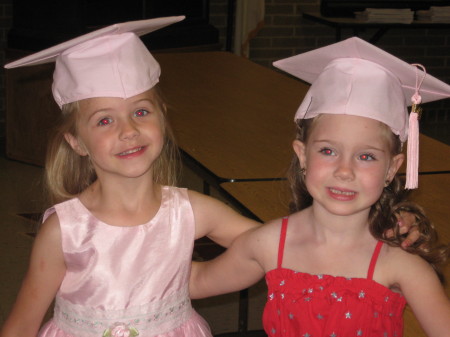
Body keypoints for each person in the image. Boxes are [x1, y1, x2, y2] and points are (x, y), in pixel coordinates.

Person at [0, 18, 421, 336]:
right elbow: (22, 323)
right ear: (76, 141)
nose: (128, 130)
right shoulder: (65, 229)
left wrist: (377, 231)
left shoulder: (191, 211)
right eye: (104, 120)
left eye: (141, 112)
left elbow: (286, 247)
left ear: (163, 120)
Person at [190, 37, 450, 337]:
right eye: (328, 151)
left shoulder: (400, 262)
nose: (344, 170)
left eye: (366, 156)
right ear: (302, 154)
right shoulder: (269, 244)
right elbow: (196, 281)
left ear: (392, 168)